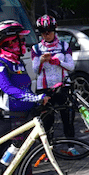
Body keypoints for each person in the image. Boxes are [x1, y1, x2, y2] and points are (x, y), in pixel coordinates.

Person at [0, 20, 51, 175]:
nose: (23, 43)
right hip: (7, 120)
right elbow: (9, 90)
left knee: (27, 160)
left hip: (24, 117)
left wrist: (39, 101)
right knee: (11, 162)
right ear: (7, 43)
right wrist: (35, 97)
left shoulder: (19, 63)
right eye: (19, 40)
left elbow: (25, 89)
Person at [30, 14, 76, 144]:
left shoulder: (63, 45)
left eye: (49, 31)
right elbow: (35, 70)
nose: (46, 35)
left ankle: (71, 146)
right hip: (44, 88)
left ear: (54, 30)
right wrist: (41, 61)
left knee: (67, 117)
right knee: (47, 119)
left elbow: (71, 66)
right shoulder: (36, 48)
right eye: (43, 32)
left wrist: (58, 62)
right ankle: (48, 147)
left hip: (62, 85)